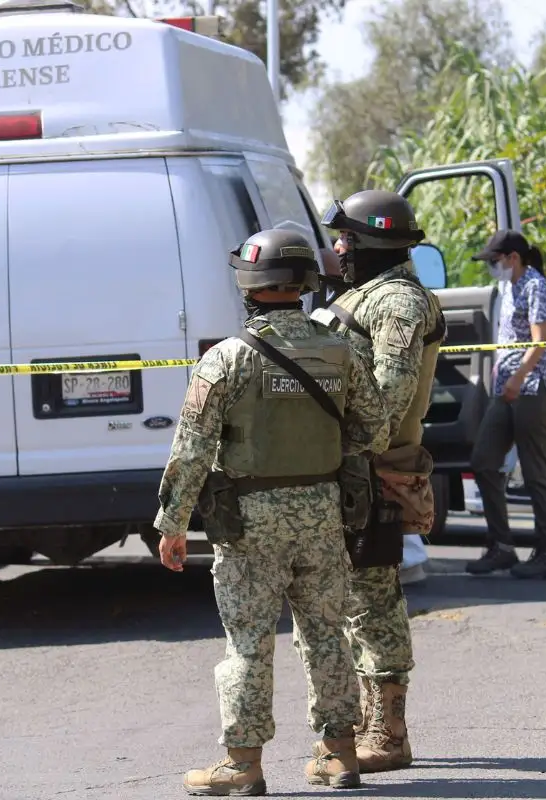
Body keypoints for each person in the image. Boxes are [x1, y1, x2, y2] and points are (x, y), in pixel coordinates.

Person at [153, 227, 390, 796]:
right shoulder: (344, 352)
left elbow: (190, 450)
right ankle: (340, 756)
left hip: (249, 523)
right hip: (323, 514)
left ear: (248, 285)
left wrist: (172, 525)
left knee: (247, 641)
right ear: (308, 282)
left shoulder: (226, 361)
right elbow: (374, 429)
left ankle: (243, 766)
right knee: (328, 633)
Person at [319, 189, 445, 774]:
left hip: (368, 471)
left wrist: (341, 455)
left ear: (370, 242)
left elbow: (387, 404)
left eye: (345, 238)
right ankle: (371, 724)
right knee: (352, 603)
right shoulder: (367, 297)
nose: (338, 248)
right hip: (348, 470)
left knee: (372, 601)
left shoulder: (396, 302)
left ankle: (388, 734)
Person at [465, 229, 546, 580]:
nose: (493, 267)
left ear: (513, 258)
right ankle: (502, 546)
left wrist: (518, 378)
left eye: (495, 260)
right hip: (506, 392)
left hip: (533, 390)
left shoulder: (536, 286)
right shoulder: (508, 287)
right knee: (484, 461)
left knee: (536, 471)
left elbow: (540, 341)